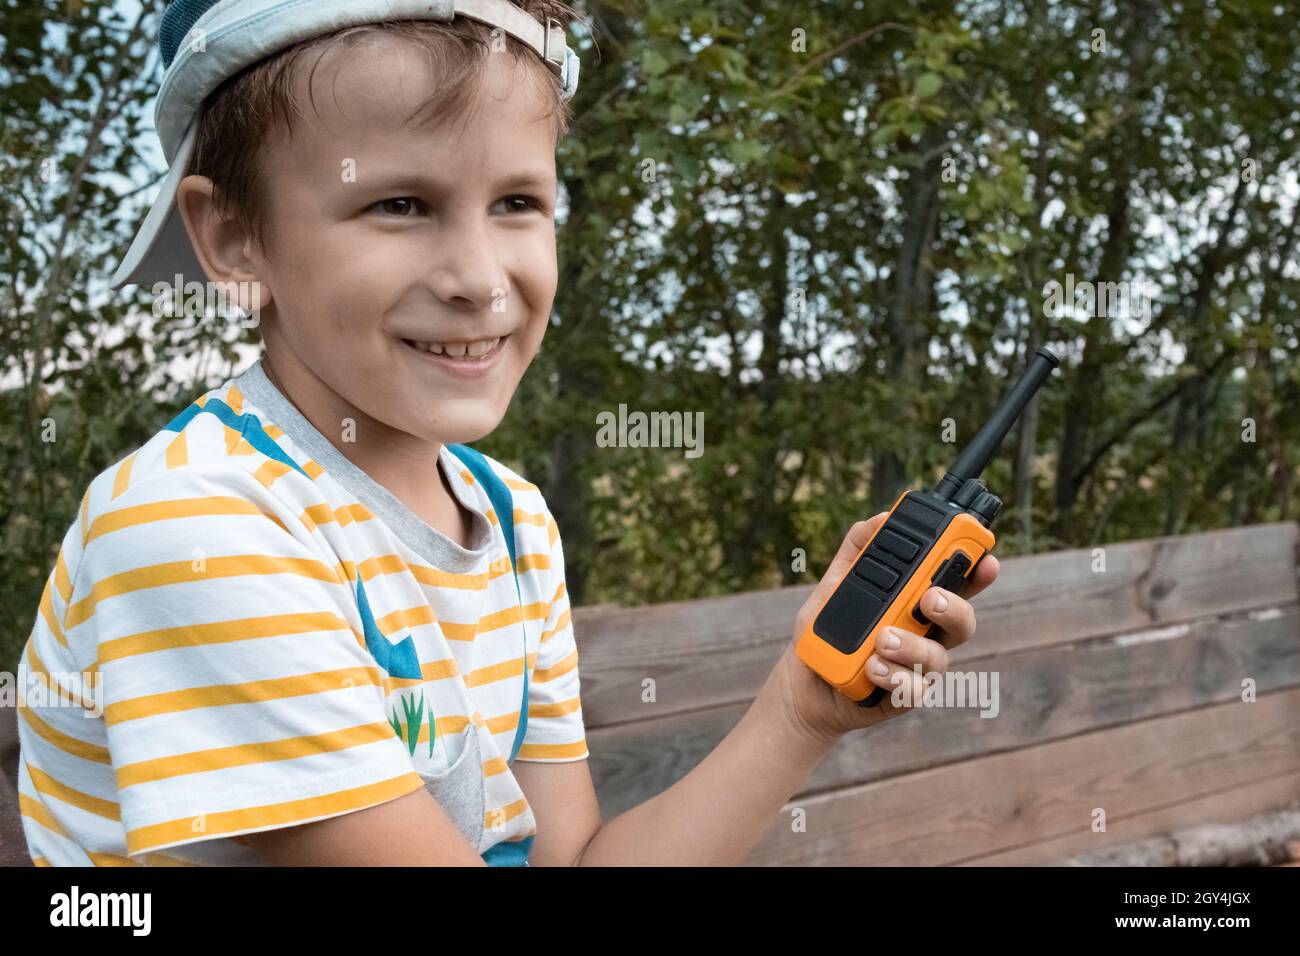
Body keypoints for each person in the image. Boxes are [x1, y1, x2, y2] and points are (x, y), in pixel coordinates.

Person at [16, 0, 996, 867]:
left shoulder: (511, 517)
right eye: (400, 203)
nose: (480, 277)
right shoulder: (198, 528)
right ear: (233, 237)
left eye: (518, 202)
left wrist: (798, 710)